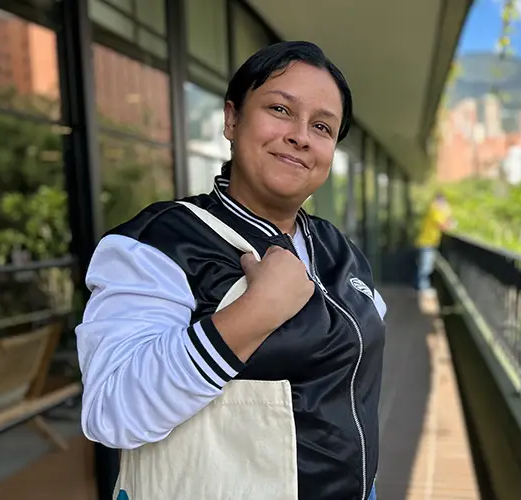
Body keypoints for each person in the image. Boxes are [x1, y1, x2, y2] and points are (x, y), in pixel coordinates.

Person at [76, 41, 386, 500]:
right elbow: (111, 410)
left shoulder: (338, 249)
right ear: (231, 119)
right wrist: (256, 312)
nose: (301, 135)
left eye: (322, 126)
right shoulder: (160, 243)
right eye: (281, 109)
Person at [414, 192, 453, 293]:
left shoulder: (435, 210)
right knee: (425, 267)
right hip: (427, 242)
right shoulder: (435, 210)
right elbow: (443, 226)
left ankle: (421, 287)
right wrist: (448, 213)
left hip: (429, 242)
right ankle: (423, 288)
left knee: (425, 265)